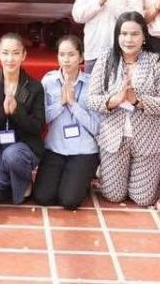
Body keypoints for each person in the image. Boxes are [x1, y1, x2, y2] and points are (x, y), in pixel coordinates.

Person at [87, 13, 160, 207]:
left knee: (142, 199)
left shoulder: (156, 61)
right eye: (124, 33)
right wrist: (115, 100)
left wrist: (138, 101)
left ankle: (142, 178)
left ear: (144, 37)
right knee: (114, 196)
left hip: (148, 139)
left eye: (134, 34)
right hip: (113, 139)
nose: (128, 39)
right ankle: (108, 172)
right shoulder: (106, 59)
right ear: (117, 36)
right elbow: (91, 99)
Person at [34, 35, 100, 210]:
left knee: (69, 201)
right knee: (43, 197)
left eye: (71, 54)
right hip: (55, 147)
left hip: (83, 150)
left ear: (81, 57)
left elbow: (96, 126)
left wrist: (73, 104)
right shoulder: (48, 81)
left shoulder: (92, 84)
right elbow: (40, 119)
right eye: (62, 54)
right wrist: (60, 103)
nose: (66, 59)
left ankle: (81, 178)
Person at [0, 34, 44, 204]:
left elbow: (38, 126)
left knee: (12, 155)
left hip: (24, 146)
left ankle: (24, 183)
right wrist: (3, 111)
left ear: (24, 55)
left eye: (15, 53)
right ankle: (15, 184)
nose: (10, 59)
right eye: (5, 53)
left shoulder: (34, 86)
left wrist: (17, 111)